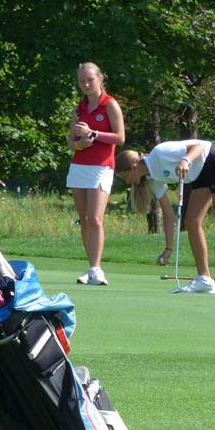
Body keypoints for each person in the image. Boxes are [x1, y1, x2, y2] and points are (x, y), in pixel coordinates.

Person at [116, 140, 215, 294]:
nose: (127, 181)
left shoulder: (159, 153)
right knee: (191, 222)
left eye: (125, 177)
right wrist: (168, 249)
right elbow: (167, 213)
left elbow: (200, 146)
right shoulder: (153, 179)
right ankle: (205, 279)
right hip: (201, 174)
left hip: (214, 160)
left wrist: (186, 160)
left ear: (133, 167)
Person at [66, 62, 125, 286]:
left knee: (95, 218)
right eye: (82, 81)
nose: (86, 84)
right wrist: (80, 144)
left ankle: (97, 269)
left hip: (102, 166)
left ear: (100, 79)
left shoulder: (110, 105)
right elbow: (71, 142)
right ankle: (91, 268)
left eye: (90, 79)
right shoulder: (79, 108)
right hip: (80, 166)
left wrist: (94, 133)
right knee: (85, 220)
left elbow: (120, 138)